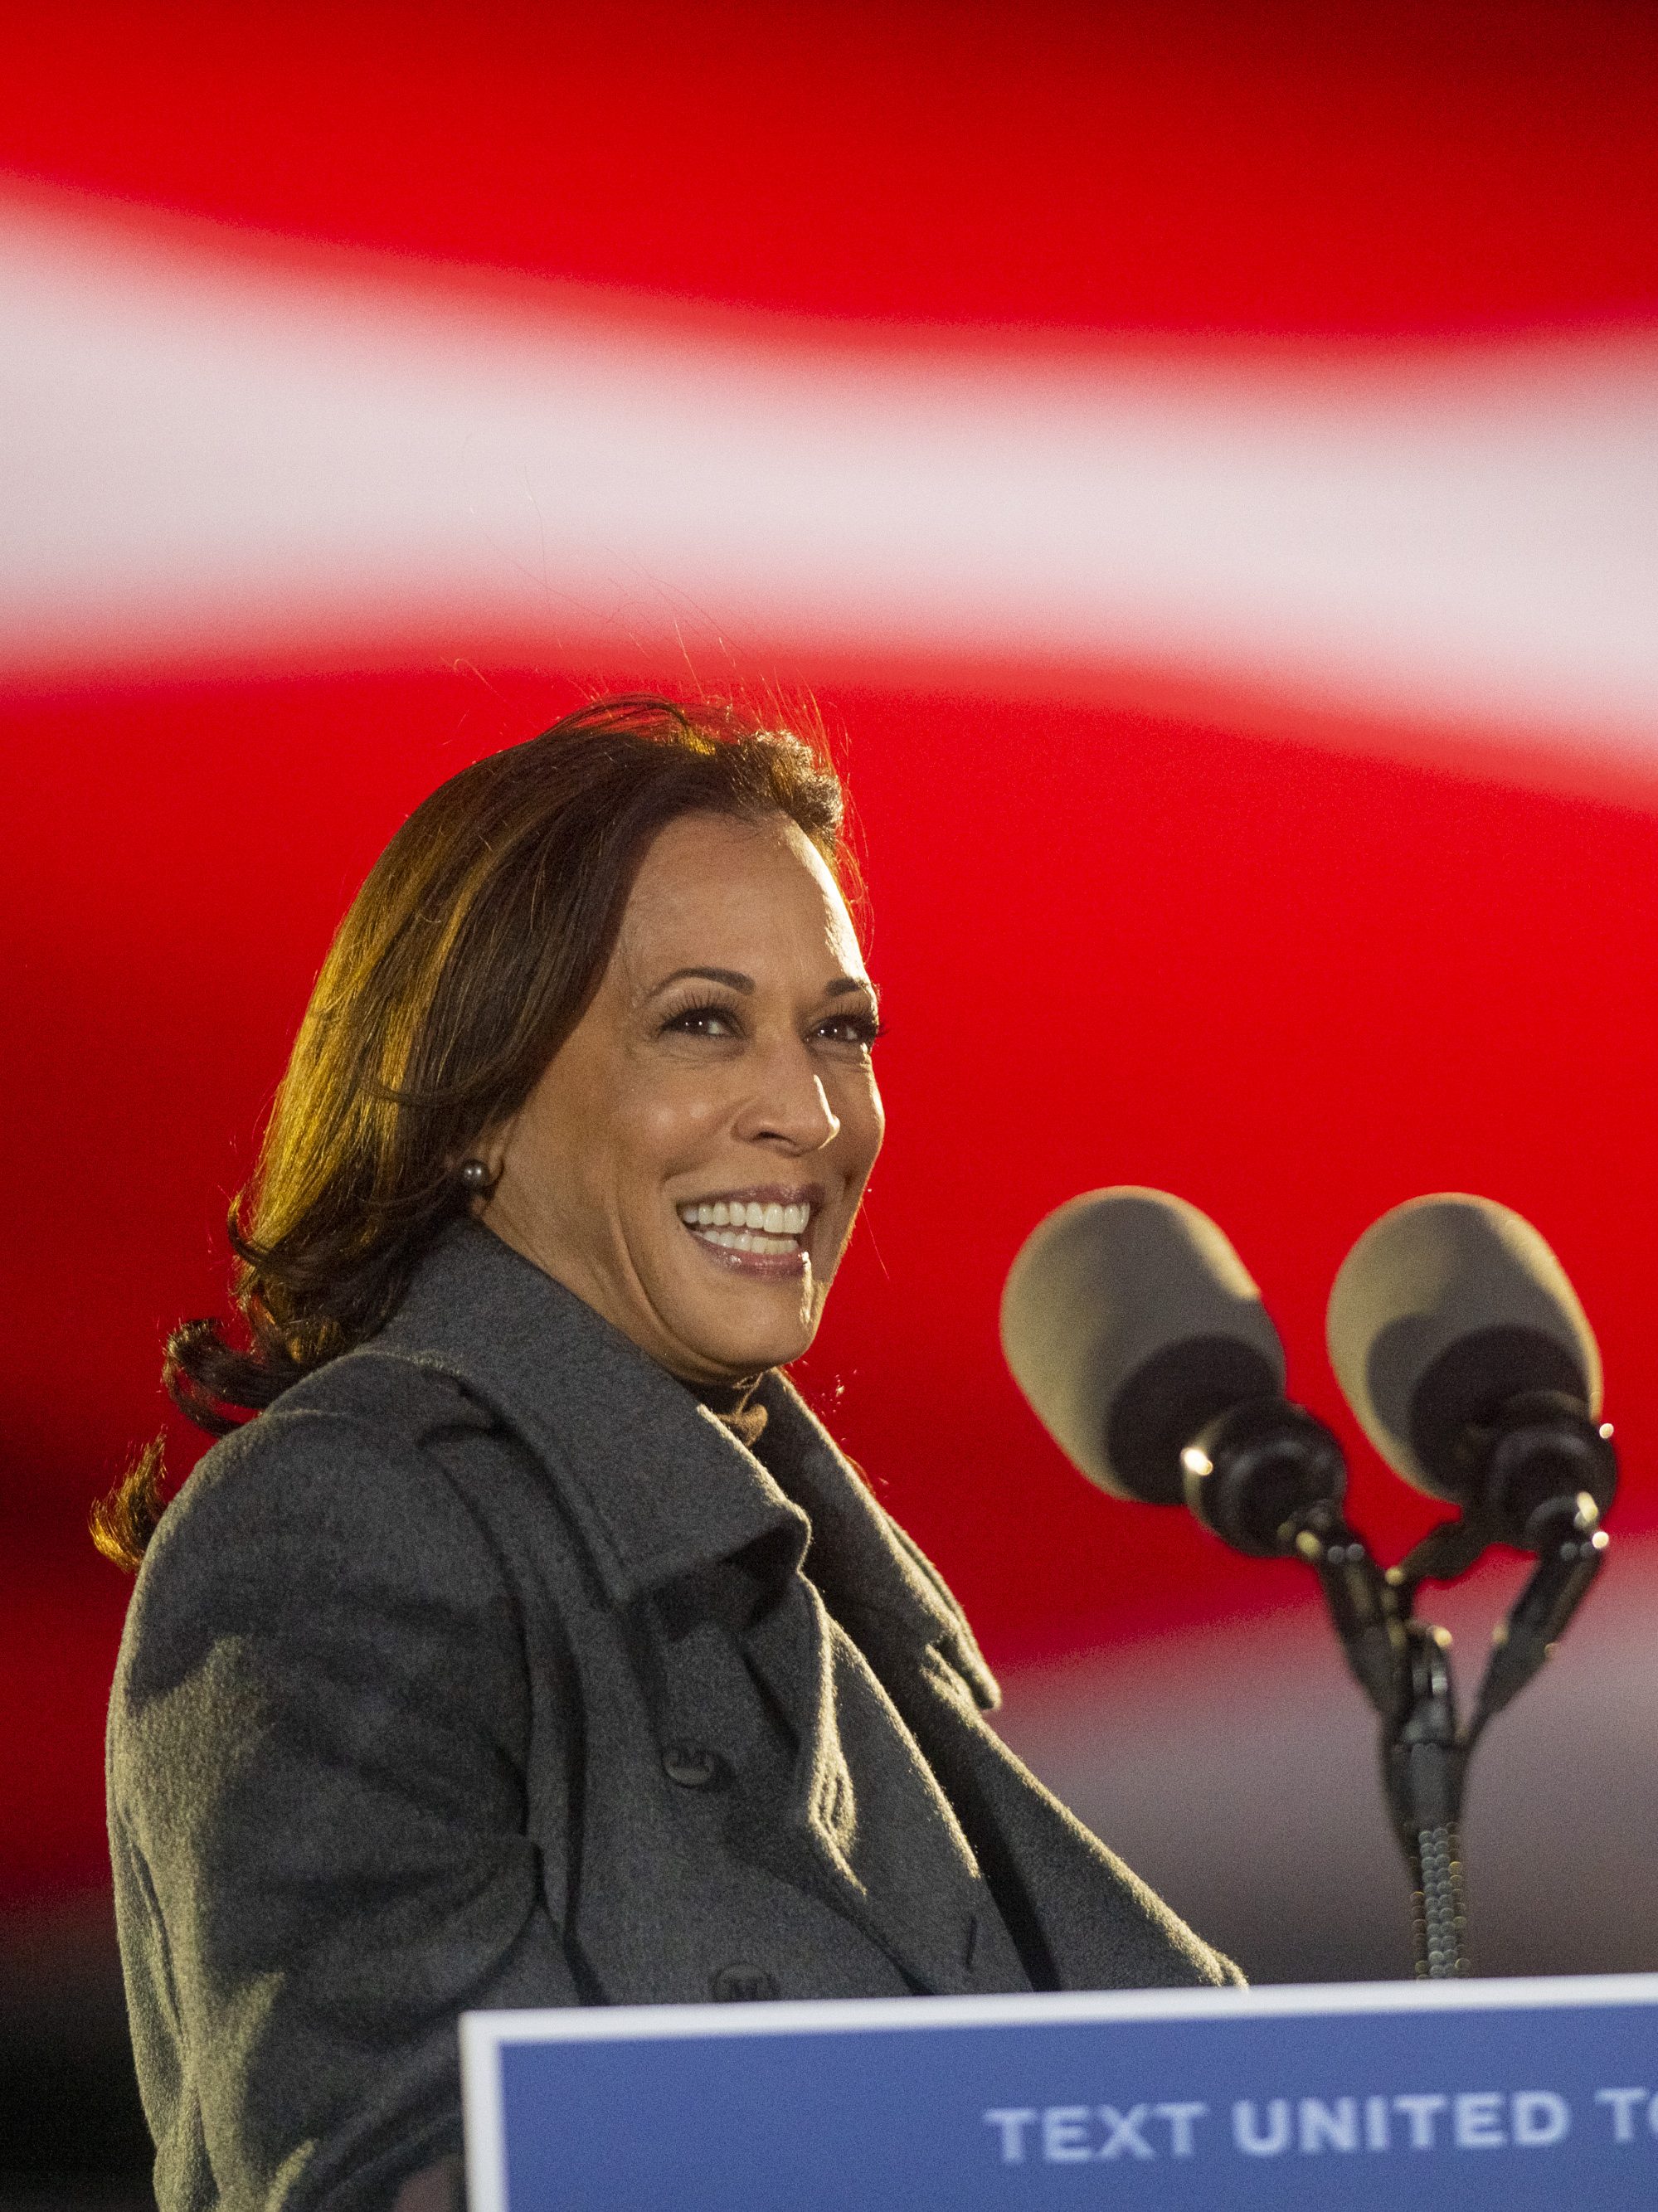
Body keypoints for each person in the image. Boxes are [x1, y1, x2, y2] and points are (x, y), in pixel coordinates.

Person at [96, 695, 1238, 2212]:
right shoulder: (346, 1521)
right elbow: (392, 2175)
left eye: (841, 1031)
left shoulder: (829, 1613)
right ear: (472, 1101)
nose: (812, 1113)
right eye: (704, 1023)